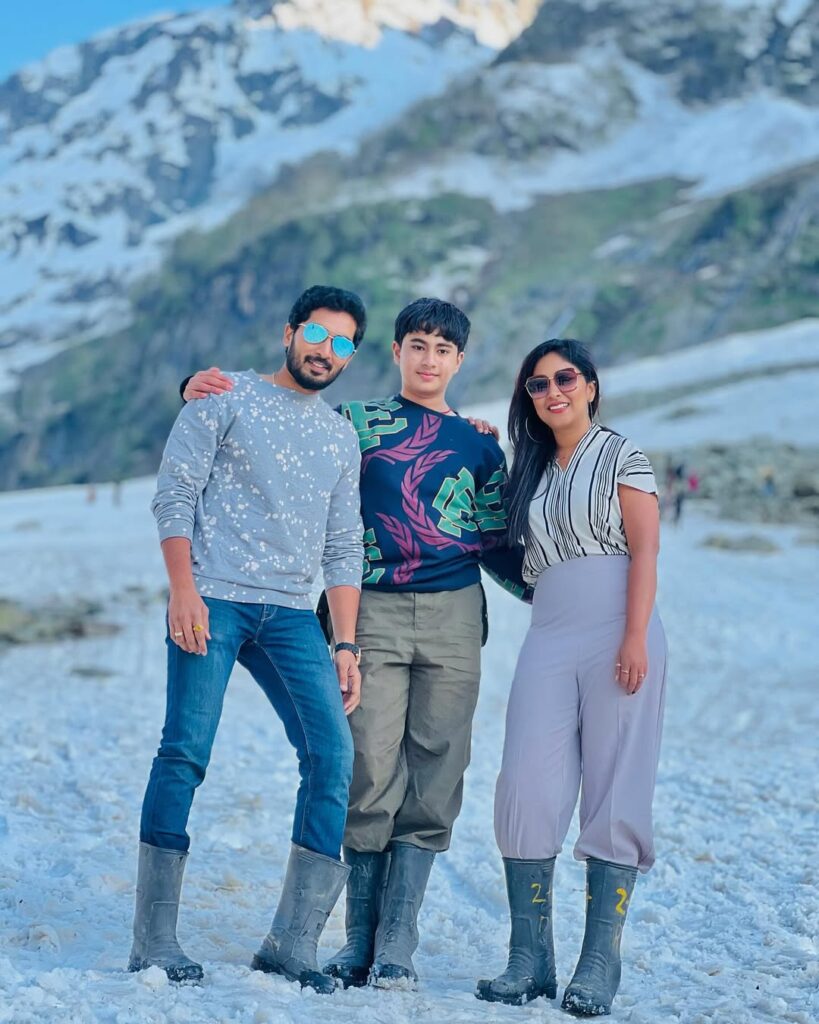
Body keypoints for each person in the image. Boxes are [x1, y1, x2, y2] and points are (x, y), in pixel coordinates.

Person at [183, 297, 528, 989]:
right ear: (396, 351)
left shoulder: (481, 443)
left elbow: (492, 539)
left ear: (459, 361)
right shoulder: (352, 422)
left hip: (455, 614)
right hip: (365, 611)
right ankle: (355, 941)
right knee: (366, 768)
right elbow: (274, 432)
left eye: (443, 349)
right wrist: (191, 390)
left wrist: (558, 596)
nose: (429, 358)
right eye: (417, 344)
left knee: (437, 766)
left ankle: (397, 942)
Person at [129, 285, 367, 994]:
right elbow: (173, 495)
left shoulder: (338, 434)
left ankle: (292, 943)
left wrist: (345, 644)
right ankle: (154, 940)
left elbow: (344, 544)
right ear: (290, 332)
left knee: (332, 756)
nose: (326, 351)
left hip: (293, 616)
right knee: (185, 751)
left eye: (343, 343)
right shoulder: (222, 395)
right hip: (215, 600)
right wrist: (183, 589)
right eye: (317, 335)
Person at [476, 339, 667, 1016]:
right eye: (536, 384)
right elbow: (496, 546)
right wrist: (475, 443)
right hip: (549, 633)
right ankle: (530, 959)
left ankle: (597, 964)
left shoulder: (620, 454)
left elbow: (644, 549)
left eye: (564, 378)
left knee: (615, 785)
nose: (552, 390)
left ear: (588, 385)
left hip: (618, 624)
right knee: (525, 783)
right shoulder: (528, 472)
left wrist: (635, 635)